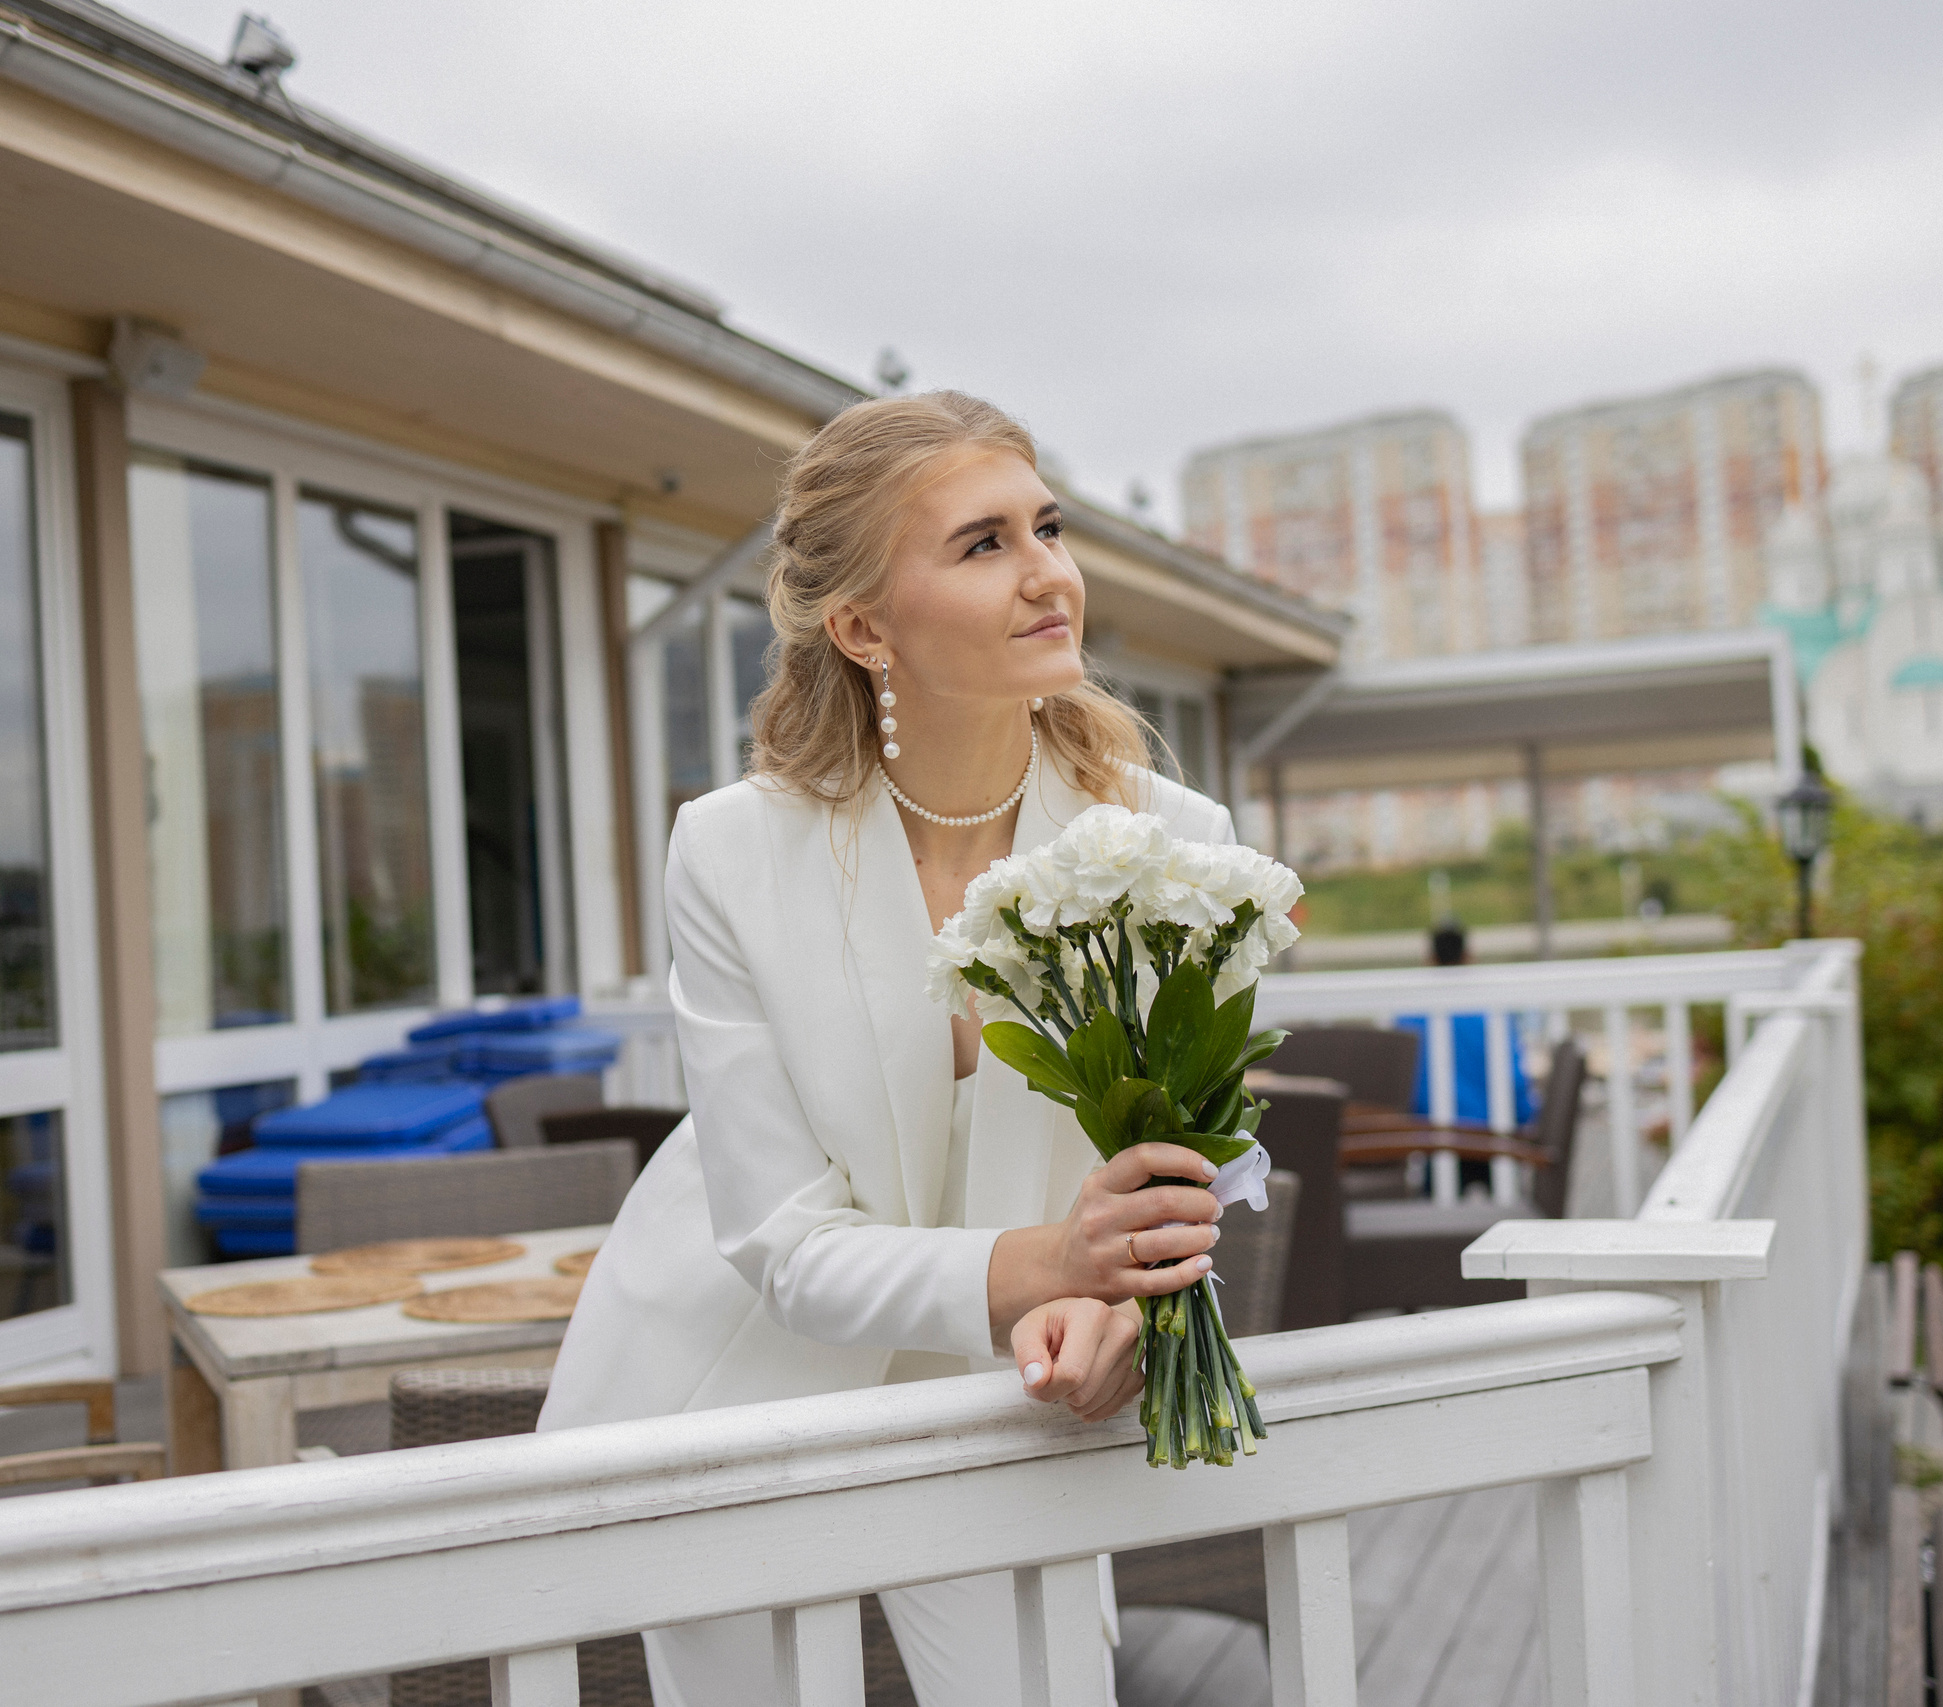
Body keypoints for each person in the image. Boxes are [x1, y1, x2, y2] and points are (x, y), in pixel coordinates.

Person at [540, 393, 1233, 1706]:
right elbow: (787, 1245)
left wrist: (1119, 1306)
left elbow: (1186, 1160)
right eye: (983, 543)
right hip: (737, 1381)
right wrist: (1050, 1264)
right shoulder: (732, 851)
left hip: (1011, 1381)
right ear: (863, 627)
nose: (1047, 573)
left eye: (1048, 527)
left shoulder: (1175, 843)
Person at [1398, 918, 1534, 1133]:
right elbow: (1516, 1085)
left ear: (1430, 960)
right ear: (1468, 957)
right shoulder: (1493, 1016)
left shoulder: (1407, 1018)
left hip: (1424, 1140)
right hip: (1489, 1139)